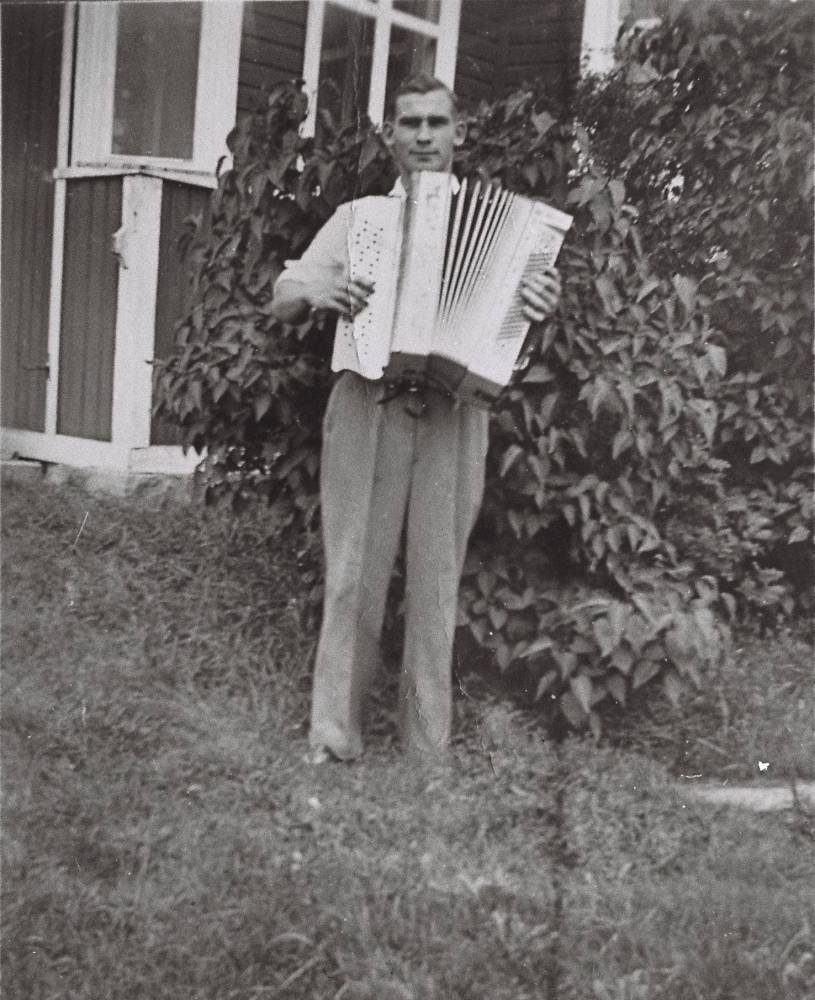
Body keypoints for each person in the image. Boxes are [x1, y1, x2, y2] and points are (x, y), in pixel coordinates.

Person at [272, 74, 561, 762]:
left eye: (437, 122)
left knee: (436, 581)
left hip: (454, 413)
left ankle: (426, 750)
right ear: (390, 135)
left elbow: (516, 331)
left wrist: (539, 302)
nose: (424, 136)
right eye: (410, 123)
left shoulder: (513, 229)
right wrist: (320, 290)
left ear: (459, 132)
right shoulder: (360, 217)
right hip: (367, 404)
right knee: (352, 575)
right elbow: (282, 294)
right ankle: (333, 738)